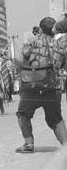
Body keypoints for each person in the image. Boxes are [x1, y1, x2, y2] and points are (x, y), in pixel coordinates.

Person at [16, 16, 67, 153]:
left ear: (41, 28)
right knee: (56, 118)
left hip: (31, 87)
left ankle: (28, 144)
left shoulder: (32, 41)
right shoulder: (61, 45)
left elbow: (21, 60)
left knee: (23, 114)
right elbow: (63, 64)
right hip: (52, 87)